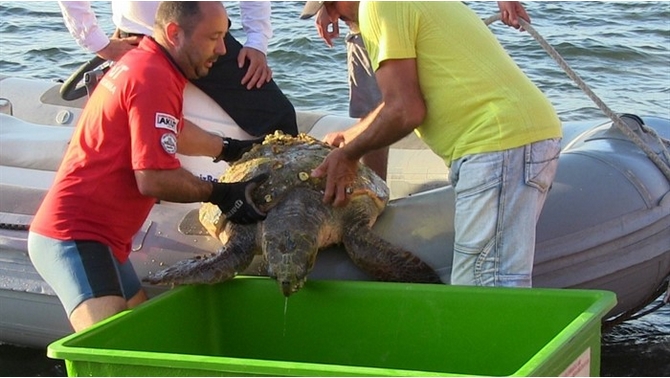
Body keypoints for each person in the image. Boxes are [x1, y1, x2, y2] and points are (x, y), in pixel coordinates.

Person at [28, 2, 268, 332]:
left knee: (145, 336)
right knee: (112, 351)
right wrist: (222, 194)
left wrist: (229, 149)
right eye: (214, 37)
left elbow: (171, 128)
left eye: (225, 36)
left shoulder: (148, 62)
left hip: (106, 241)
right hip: (75, 236)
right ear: (174, 33)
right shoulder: (153, 76)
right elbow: (153, 179)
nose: (222, 49)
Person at [301, 2, 562, 288]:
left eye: (330, 5)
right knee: (489, 283)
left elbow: (406, 110)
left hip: (496, 143)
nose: (334, 17)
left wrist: (348, 154)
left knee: (483, 289)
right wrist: (351, 136)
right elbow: (403, 97)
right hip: (521, 136)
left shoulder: (377, 6)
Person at [58, 1, 298, 137]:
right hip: (140, 37)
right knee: (132, 128)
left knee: (280, 119)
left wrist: (257, 42)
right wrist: (99, 43)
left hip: (202, 32)